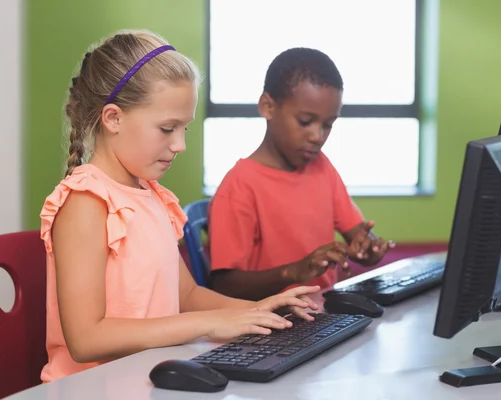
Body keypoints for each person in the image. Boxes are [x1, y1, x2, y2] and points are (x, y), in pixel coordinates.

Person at [38, 30, 320, 383]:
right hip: (91, 388)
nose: (180, 145)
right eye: (167, 128)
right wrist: (210, 323)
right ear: (113, 118)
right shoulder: (86, 202)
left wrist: (260, 311)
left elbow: (186, 294)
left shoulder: (152, 195)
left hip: (150, 380)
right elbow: (86, 340)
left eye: (184, 128)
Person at [207, 47, 395, 301]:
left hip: (324, 314)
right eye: (306, 121)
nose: (317, 136)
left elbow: (357, 233)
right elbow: (223, 285)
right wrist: (292, 273)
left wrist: (368, 246)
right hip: (273, 327)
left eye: (328, 124)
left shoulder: (322, 167)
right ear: (268, 107)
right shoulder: (239, 186)